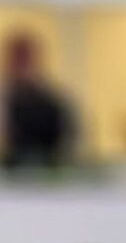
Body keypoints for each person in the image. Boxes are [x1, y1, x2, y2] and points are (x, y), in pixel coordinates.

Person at [1, 31, 74, 169]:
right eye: (17, 58)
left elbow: (65, 135)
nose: (21, 65)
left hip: (42, 170)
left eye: (26, 59)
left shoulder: (50, 99)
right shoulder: (5, 95)